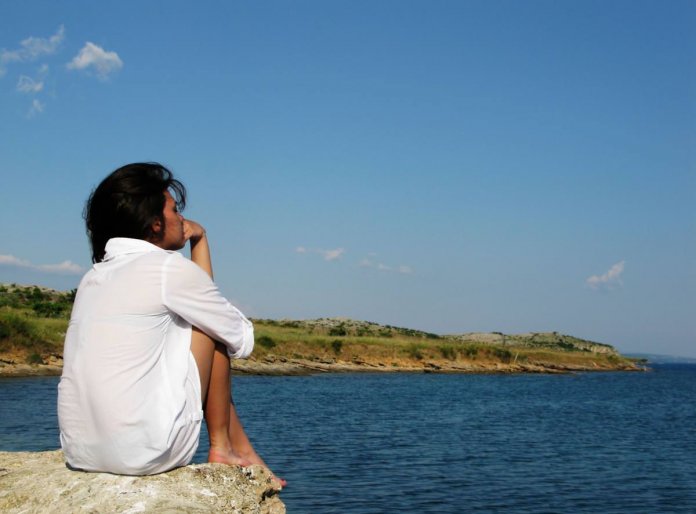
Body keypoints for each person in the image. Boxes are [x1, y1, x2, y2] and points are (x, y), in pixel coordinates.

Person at [57, 162, 283, 484]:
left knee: (198, 318)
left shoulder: (93, 277)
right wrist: (201, 240)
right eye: (175, 210)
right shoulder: (166, 268)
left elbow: (201, 299)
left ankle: (237, 446)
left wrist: (198, 239)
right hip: (144, 452)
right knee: (209, 326)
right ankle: (224, 447)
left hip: (79, 451)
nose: (182, 218)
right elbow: (240, 337)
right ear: (154, 225)